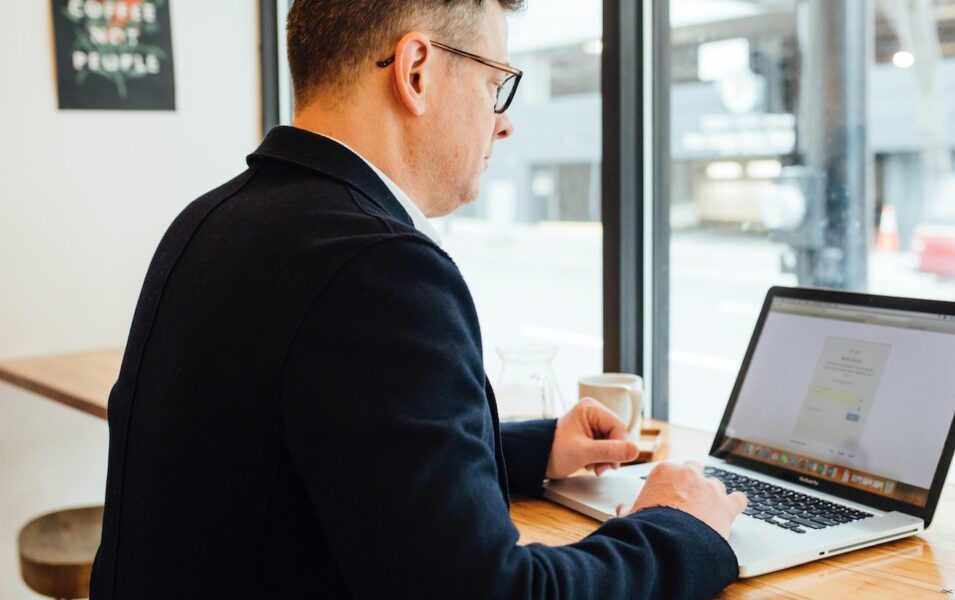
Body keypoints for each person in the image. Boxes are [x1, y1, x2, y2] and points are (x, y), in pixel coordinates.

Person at [90, 0, 746, 597]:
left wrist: (530, 449)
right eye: (496, 85)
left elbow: (320, 451)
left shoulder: (213, 221)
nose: (505, 123)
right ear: (417, 70)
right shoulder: (378, 268)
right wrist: (676, 526)